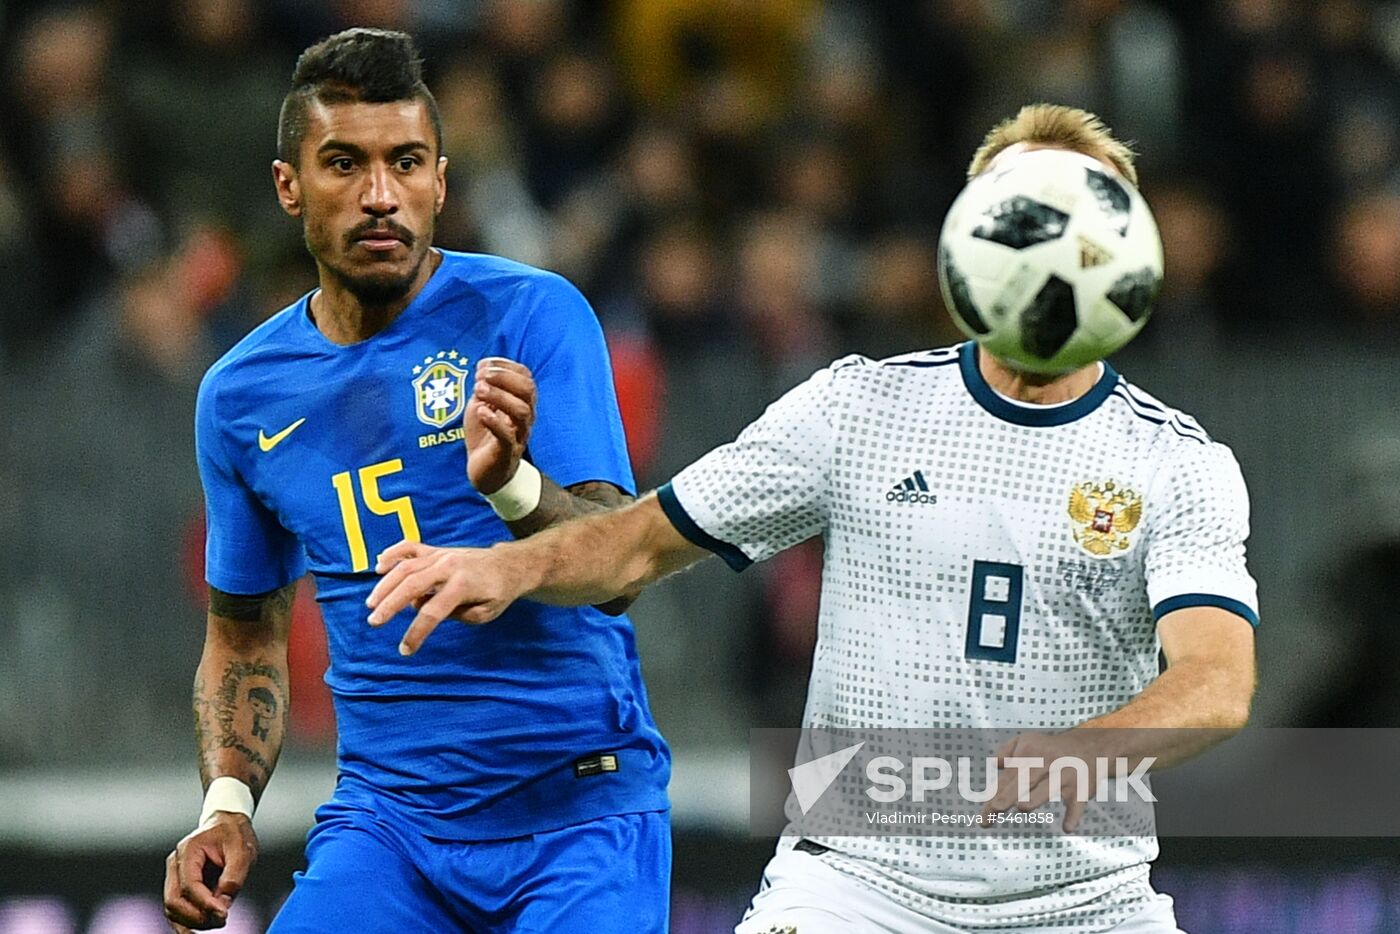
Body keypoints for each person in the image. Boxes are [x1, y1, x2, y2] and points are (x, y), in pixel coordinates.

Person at [367, 105, 1259, 933]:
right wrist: (511, 544)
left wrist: (1082, 753)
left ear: (1122, 250)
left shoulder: (1176, 463)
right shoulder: (858, 409)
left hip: (1085, 901)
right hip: (853, 884)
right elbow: (635, 546)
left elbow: (1217, 679)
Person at [161, 29, 670, 934]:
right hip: (390, 827)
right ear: (288, 186)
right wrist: (226, 806)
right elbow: (243, 634)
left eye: (405, 162)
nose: (380, 194)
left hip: (575, 814)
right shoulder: (241, 396)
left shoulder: (531, 314)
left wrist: (513, 487)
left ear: (439, 180)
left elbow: (620, 566)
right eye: (344, 164)